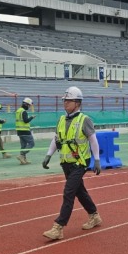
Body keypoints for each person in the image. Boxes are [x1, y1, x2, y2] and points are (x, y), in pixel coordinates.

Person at [42, 86, 102, 240]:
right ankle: (94, 216)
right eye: (64, 100)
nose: (65, 103)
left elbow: (93, 140)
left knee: (68, 192)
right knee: (79, 191)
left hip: (80, 162)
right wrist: (48, 155)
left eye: (68, 101)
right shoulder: (62, 119)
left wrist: (96, 160)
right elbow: (56, 139)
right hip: (66, 162)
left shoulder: (85, 120)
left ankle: (58, 227)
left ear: (77, 102)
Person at [15, 97, 36, 165]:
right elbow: (25, 121)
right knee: (31, 144)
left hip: (19, 131)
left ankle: (23, 160)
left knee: (23, 146)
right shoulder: (23, 111)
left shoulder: (18, 110)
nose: (29, 107)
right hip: (25, 131)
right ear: (26, 104)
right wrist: (31, 117)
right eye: (29, 105)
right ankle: (21, 156)